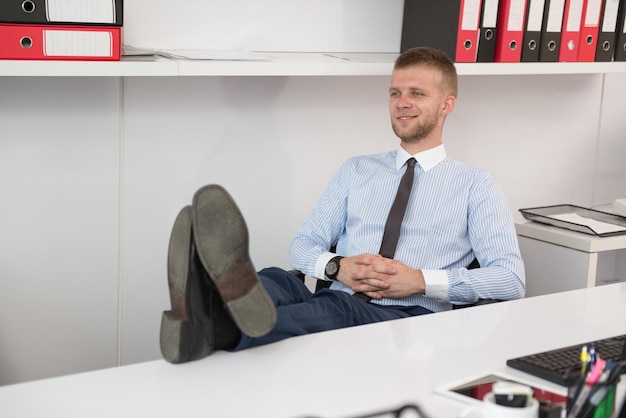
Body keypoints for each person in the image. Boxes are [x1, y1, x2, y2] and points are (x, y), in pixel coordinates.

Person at [159, 47, 525, 364]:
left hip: (410, 318)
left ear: (447, 104)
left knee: (337, 308)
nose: (402, 103)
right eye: (395, 92)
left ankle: (207, 320)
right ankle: (208, 315)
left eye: (417, 93)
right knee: (277, 279)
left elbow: (511, 278)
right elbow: (302, 245)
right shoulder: (356, 169)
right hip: (341, 290)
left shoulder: (476, 185)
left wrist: (420, 280)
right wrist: (337, 267)